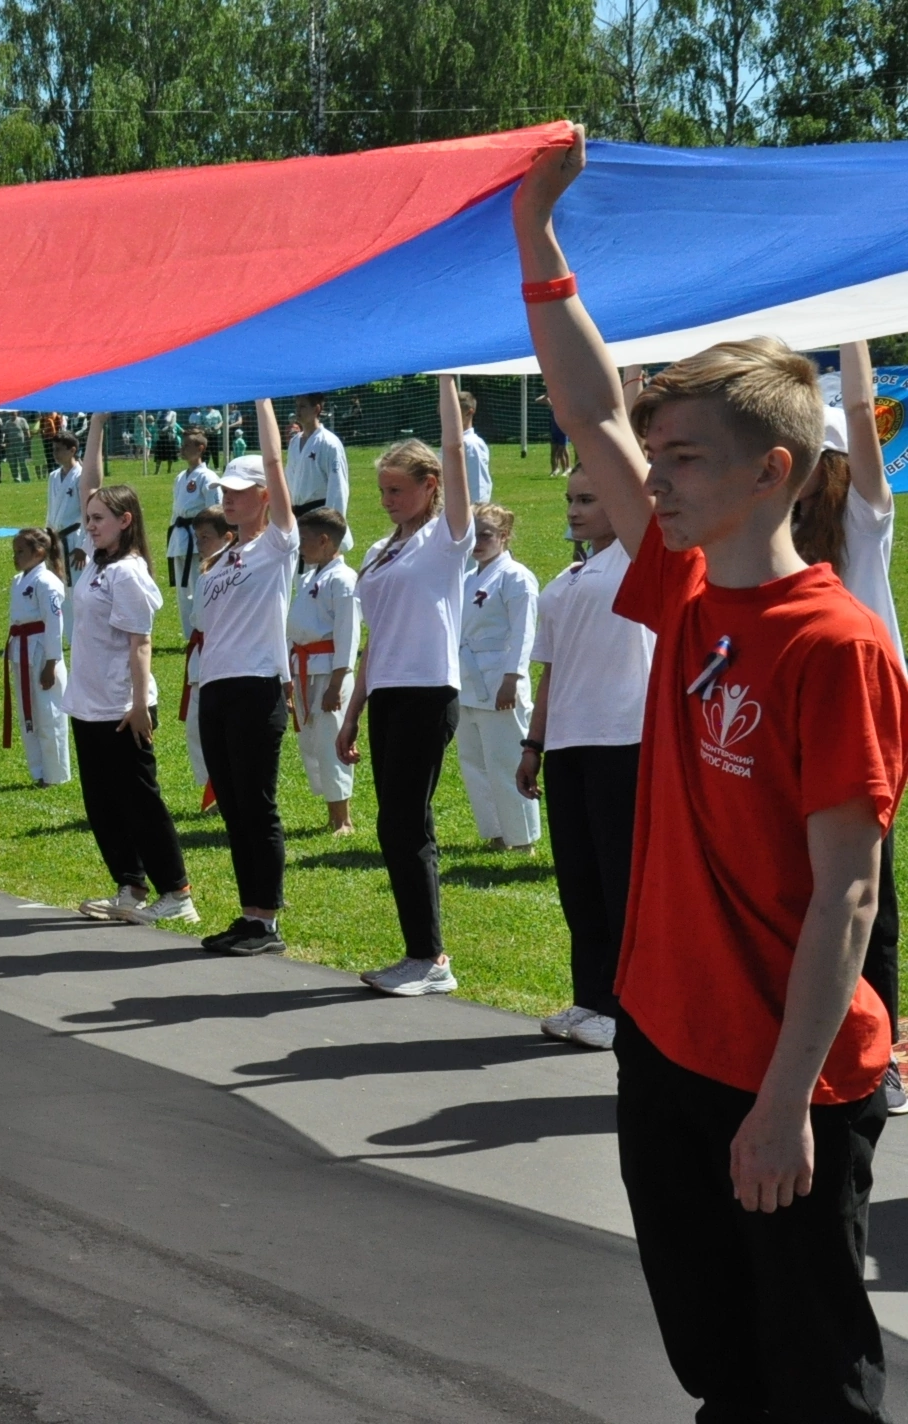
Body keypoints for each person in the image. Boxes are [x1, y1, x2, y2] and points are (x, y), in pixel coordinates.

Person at [520, 131, 907, 1418]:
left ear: (769, 473)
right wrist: (537, 239)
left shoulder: (835, 641)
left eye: (680, 457)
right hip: (668, 1046)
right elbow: (582, 406)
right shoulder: (682, 590)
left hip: (787, 1071)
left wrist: (786, 1101)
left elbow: (846, 898)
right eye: (655, 458)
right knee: (715, 1364)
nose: (646, 478)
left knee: (812, 1378)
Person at [336, 375, 475, 996]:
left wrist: (446, 381)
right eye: (383, 490)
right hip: (389, 691)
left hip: (428, 691)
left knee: (404, 822)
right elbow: (376, 637)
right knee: (394, 823)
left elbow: (452, 452)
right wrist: (351, 713)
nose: (388, 499)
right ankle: (419, 953)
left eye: (399, 489)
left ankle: (431, 959)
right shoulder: (377, 549)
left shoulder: (446, 540)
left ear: (430, 489)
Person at [795, 339, 906, 1114]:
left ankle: (884, 1054)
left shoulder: (865, 519)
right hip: (802, 715)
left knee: (870, 895)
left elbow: (864, 412)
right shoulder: (777, 535)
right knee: (811, 888)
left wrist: (853, 325)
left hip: (866, 716)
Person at [517, 463, 654, 1052]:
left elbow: (629, 474)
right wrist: (534, 743)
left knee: (619, 879)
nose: (574, 510)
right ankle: (590, 997)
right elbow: (551, 671)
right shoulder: (568, 577)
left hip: (623, 740)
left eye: (589, 498)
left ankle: (627, 1008)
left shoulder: (639, 558)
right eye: (570, 499)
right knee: (579, 880)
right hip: (569, 745)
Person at [67, 416, 195, 927]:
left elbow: (141, 644)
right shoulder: (96, 563)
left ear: (125, 521)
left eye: (100, 518)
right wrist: (97, 421)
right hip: (87, 703)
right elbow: (88, 484)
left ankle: (177, 890)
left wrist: (140, 706)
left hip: (123, 706)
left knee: (140, 802)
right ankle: (130, 885)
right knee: (101, 804)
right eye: (90, 517)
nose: (91, 523)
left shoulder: (128, 572)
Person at [192, 400, 298, 955]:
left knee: (256, 803)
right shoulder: (224, 557)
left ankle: (267, 920)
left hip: (257, 685)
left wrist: (261, 398)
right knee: (232, 804)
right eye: (224, 492)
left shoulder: (278, 544)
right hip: (218, 687)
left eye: (238, 491)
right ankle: (248, 912)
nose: (227, 499)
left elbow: (278, 463)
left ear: (263, 496)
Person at [456, 504, 540, 852]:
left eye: (486, 535)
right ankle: (495, 832)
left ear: (504, 537)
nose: (478, 542)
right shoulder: (467, 577)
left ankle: (523, 839)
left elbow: (524, 632)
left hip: (500, 676)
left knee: (506, 759)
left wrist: (513, 677)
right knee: (475, 761)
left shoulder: (516, 576)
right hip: (466, 678)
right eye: (473, 535)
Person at [288, 507, 359, 835]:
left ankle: (343, 817)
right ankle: (331, 812)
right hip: (304, 666)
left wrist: (338, 680)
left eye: (304, 539)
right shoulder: (309, 576)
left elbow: (348, 633)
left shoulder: (344, 579)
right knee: (314, 742)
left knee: (332, 739)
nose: (300, 546)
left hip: (330, 669)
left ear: (325, 540)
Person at [5, 528, 70, 788]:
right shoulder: (18, 580)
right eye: (15, 551)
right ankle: (39, 770)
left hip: (42, 651)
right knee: (28, 712)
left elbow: (54, 623)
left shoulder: (47, 582)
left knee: (49, 713)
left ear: (39, 552)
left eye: (21, 551)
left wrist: (52, 663)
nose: (16, 557)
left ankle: (56, 773)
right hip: (21, 649)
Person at [180, 507, 233, 802]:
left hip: (221, 656)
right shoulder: (204, 573)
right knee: (195, 728)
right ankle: (212, 788)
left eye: (206, 537)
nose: (200, 543)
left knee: (214, 728)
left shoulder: (232, 574)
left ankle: (222, 789)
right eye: (197, 537)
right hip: (202, 655)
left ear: (228, 538)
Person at [165, 438, 224, 620]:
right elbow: (176, 511)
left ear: (201, 448)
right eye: (182, 445)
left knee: (199, 585)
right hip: (180, 536)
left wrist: (211, 541)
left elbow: (216, 511)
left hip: (198, 537)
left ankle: (204, 628)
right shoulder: (180, 477)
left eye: (186, 446)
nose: (182, 449)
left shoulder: (208, 477)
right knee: (183, 592)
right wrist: (173, 536)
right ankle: (190, 635)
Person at [286, 393, 350, 546]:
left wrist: (331, 525)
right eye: (296, 406)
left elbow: (338, 487)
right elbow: (288, 478)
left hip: (319, 514)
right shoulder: (294, 442)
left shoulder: (329, 443)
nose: (298, 411)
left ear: (317, 409)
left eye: (303, 406)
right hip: (296, 515)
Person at [44, 430, 87, 576]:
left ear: (72, 450)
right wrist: (47, 537)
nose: (55, 453)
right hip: (55, 539)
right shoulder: (53, 476)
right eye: (53, 449)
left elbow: (86, 512)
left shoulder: (82, 476)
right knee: (56, 583)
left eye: (59, 449)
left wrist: (83, 546)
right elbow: (51, 510)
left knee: (75, 584)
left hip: (74, 538)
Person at [460, 391, 493, 505]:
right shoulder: (451, 443)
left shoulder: (472, 445)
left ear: (469, 413)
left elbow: (479, 485)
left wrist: (476, 516)